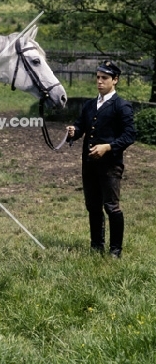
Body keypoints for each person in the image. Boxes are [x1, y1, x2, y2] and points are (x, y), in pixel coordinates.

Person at [66, 61, 136, 258]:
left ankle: (115, 251)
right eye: (97, 77)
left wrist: (108, 147)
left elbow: (129, 135)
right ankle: (96, 246)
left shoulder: (121, 106)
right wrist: (73, 131)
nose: (99, 81)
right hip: (89, 165)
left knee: (111, 207)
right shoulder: (89, 105)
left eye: (104, 78)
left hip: (110, 166)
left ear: (115, 80)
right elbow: (80, 127)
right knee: (93, 206)